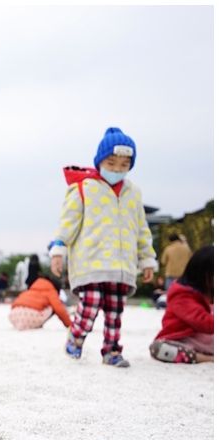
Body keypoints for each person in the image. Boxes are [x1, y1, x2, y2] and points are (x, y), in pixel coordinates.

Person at [49, 127, 157, 368]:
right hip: (91, 260)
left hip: (122, 265)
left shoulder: (133, 193)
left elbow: (141, 229)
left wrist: (147, 259)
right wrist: (59, 249)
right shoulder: (83, 188)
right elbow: (68, 223)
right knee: (90, 304)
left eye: (124, 164)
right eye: (112, 162)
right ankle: (76, 339)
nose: (117, 169)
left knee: (115, 311)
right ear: (99, 161)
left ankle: (112, 350)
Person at [149, 246, 213, 364]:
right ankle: (205, 358)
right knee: (158, 348)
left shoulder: (208, 291)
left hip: (207, 341)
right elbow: (204, 322)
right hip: (183, 340)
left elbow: (164, 260)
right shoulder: (182, 296)